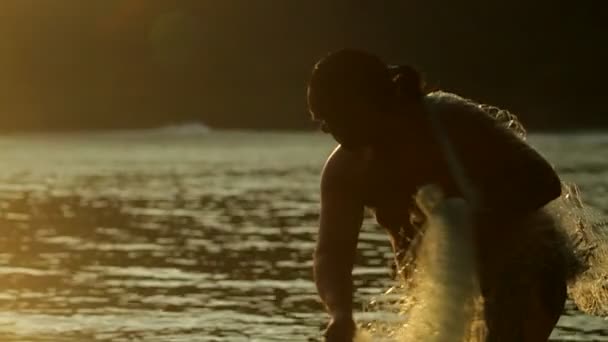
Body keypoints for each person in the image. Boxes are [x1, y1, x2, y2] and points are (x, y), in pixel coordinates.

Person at [307, 49, 582, 341]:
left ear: (363, 102)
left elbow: (544, 182)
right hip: (447, 296)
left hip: (528, 271)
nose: (325, 128)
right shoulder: (345, 171)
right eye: (319, 119)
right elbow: (332, 253)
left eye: (330, 116)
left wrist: (466, 222)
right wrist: (341, 315)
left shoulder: (450, 121)